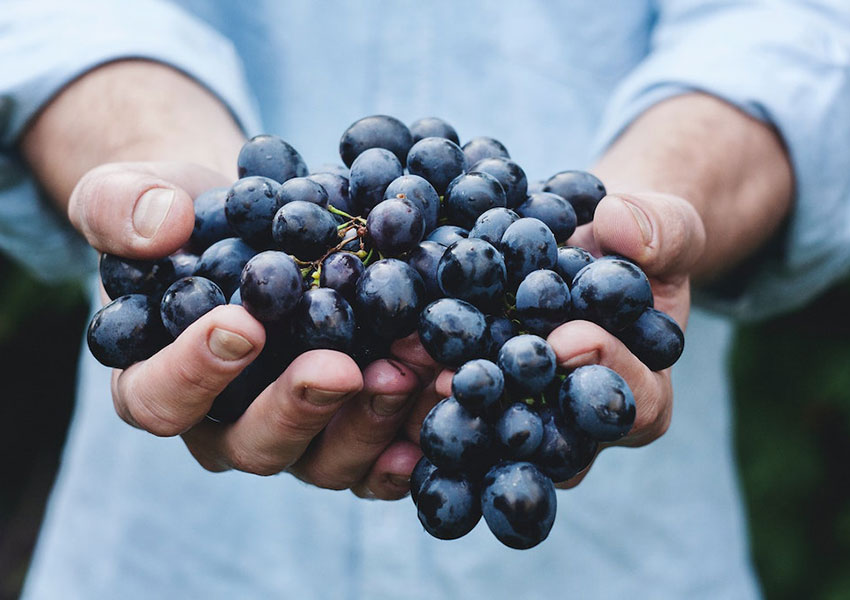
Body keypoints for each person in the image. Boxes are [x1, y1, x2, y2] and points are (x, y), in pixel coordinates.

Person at [2, 1, 849, 597]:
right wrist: (151, 162)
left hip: (624, 561)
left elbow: (791, 27)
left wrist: (658, 201)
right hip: (173, 559)